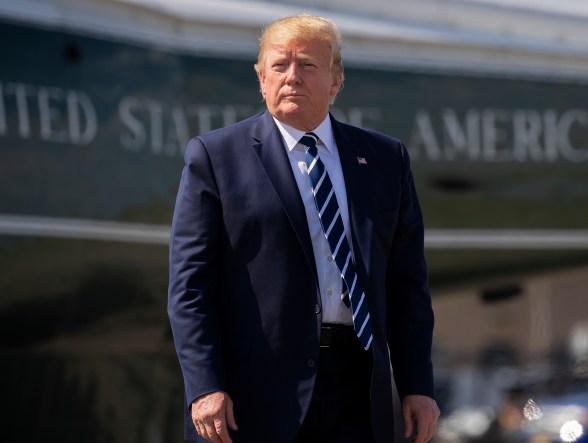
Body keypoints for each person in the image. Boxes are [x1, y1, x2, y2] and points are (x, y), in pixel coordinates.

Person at [168, 13, 439, 443]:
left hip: (359, 385)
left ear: (336, 81)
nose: (292, 77)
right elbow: (190, 288)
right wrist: (204, 387)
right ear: (261, 78)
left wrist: (418, 385)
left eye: (308, 65)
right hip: (254, 394)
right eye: (279, 65)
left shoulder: (386, 159)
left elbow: (408, 285)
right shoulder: (215, 158)